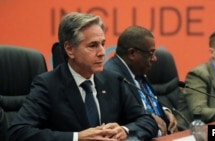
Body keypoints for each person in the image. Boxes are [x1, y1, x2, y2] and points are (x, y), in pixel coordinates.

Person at [8, 12, 159, 141]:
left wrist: (124, 130)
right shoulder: (48, 85)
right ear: (70, 49)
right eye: (93, 46)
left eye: (103, 44)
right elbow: (18, 132)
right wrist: (76, 137)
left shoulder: (113, 80)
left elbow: (147, 121)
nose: (102, 52)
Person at [104, 25, 178, 136]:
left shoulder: (137, 70)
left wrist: (164, 111)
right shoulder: (112, 76)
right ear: (132, 53)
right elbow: (126, 113)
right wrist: (150, 119)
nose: (154, 59)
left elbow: (144, 102)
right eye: (151, 53)